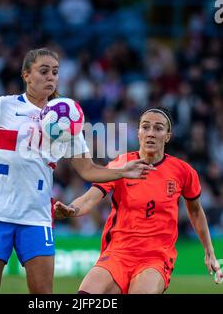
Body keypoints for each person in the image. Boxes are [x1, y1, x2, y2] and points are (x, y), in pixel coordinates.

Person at [0, 48, 155, 294]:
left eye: (55, 72)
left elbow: (87, 170)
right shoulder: (3, 106)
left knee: (43, 295)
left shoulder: (67, 117)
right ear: (26, 75)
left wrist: (122, 171)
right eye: (43, 71)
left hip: (36, 216)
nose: (51, 77)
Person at [54, 107, 223, 294]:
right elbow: (90, 197)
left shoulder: (182, 171)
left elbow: (196, 211)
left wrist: (209, 250)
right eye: (146, 127)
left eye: (158, 128)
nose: (151, 133)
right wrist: (72, 210)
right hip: (117, 253)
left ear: (167, 136)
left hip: (155, 257)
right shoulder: (122, 165)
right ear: (138, 133)